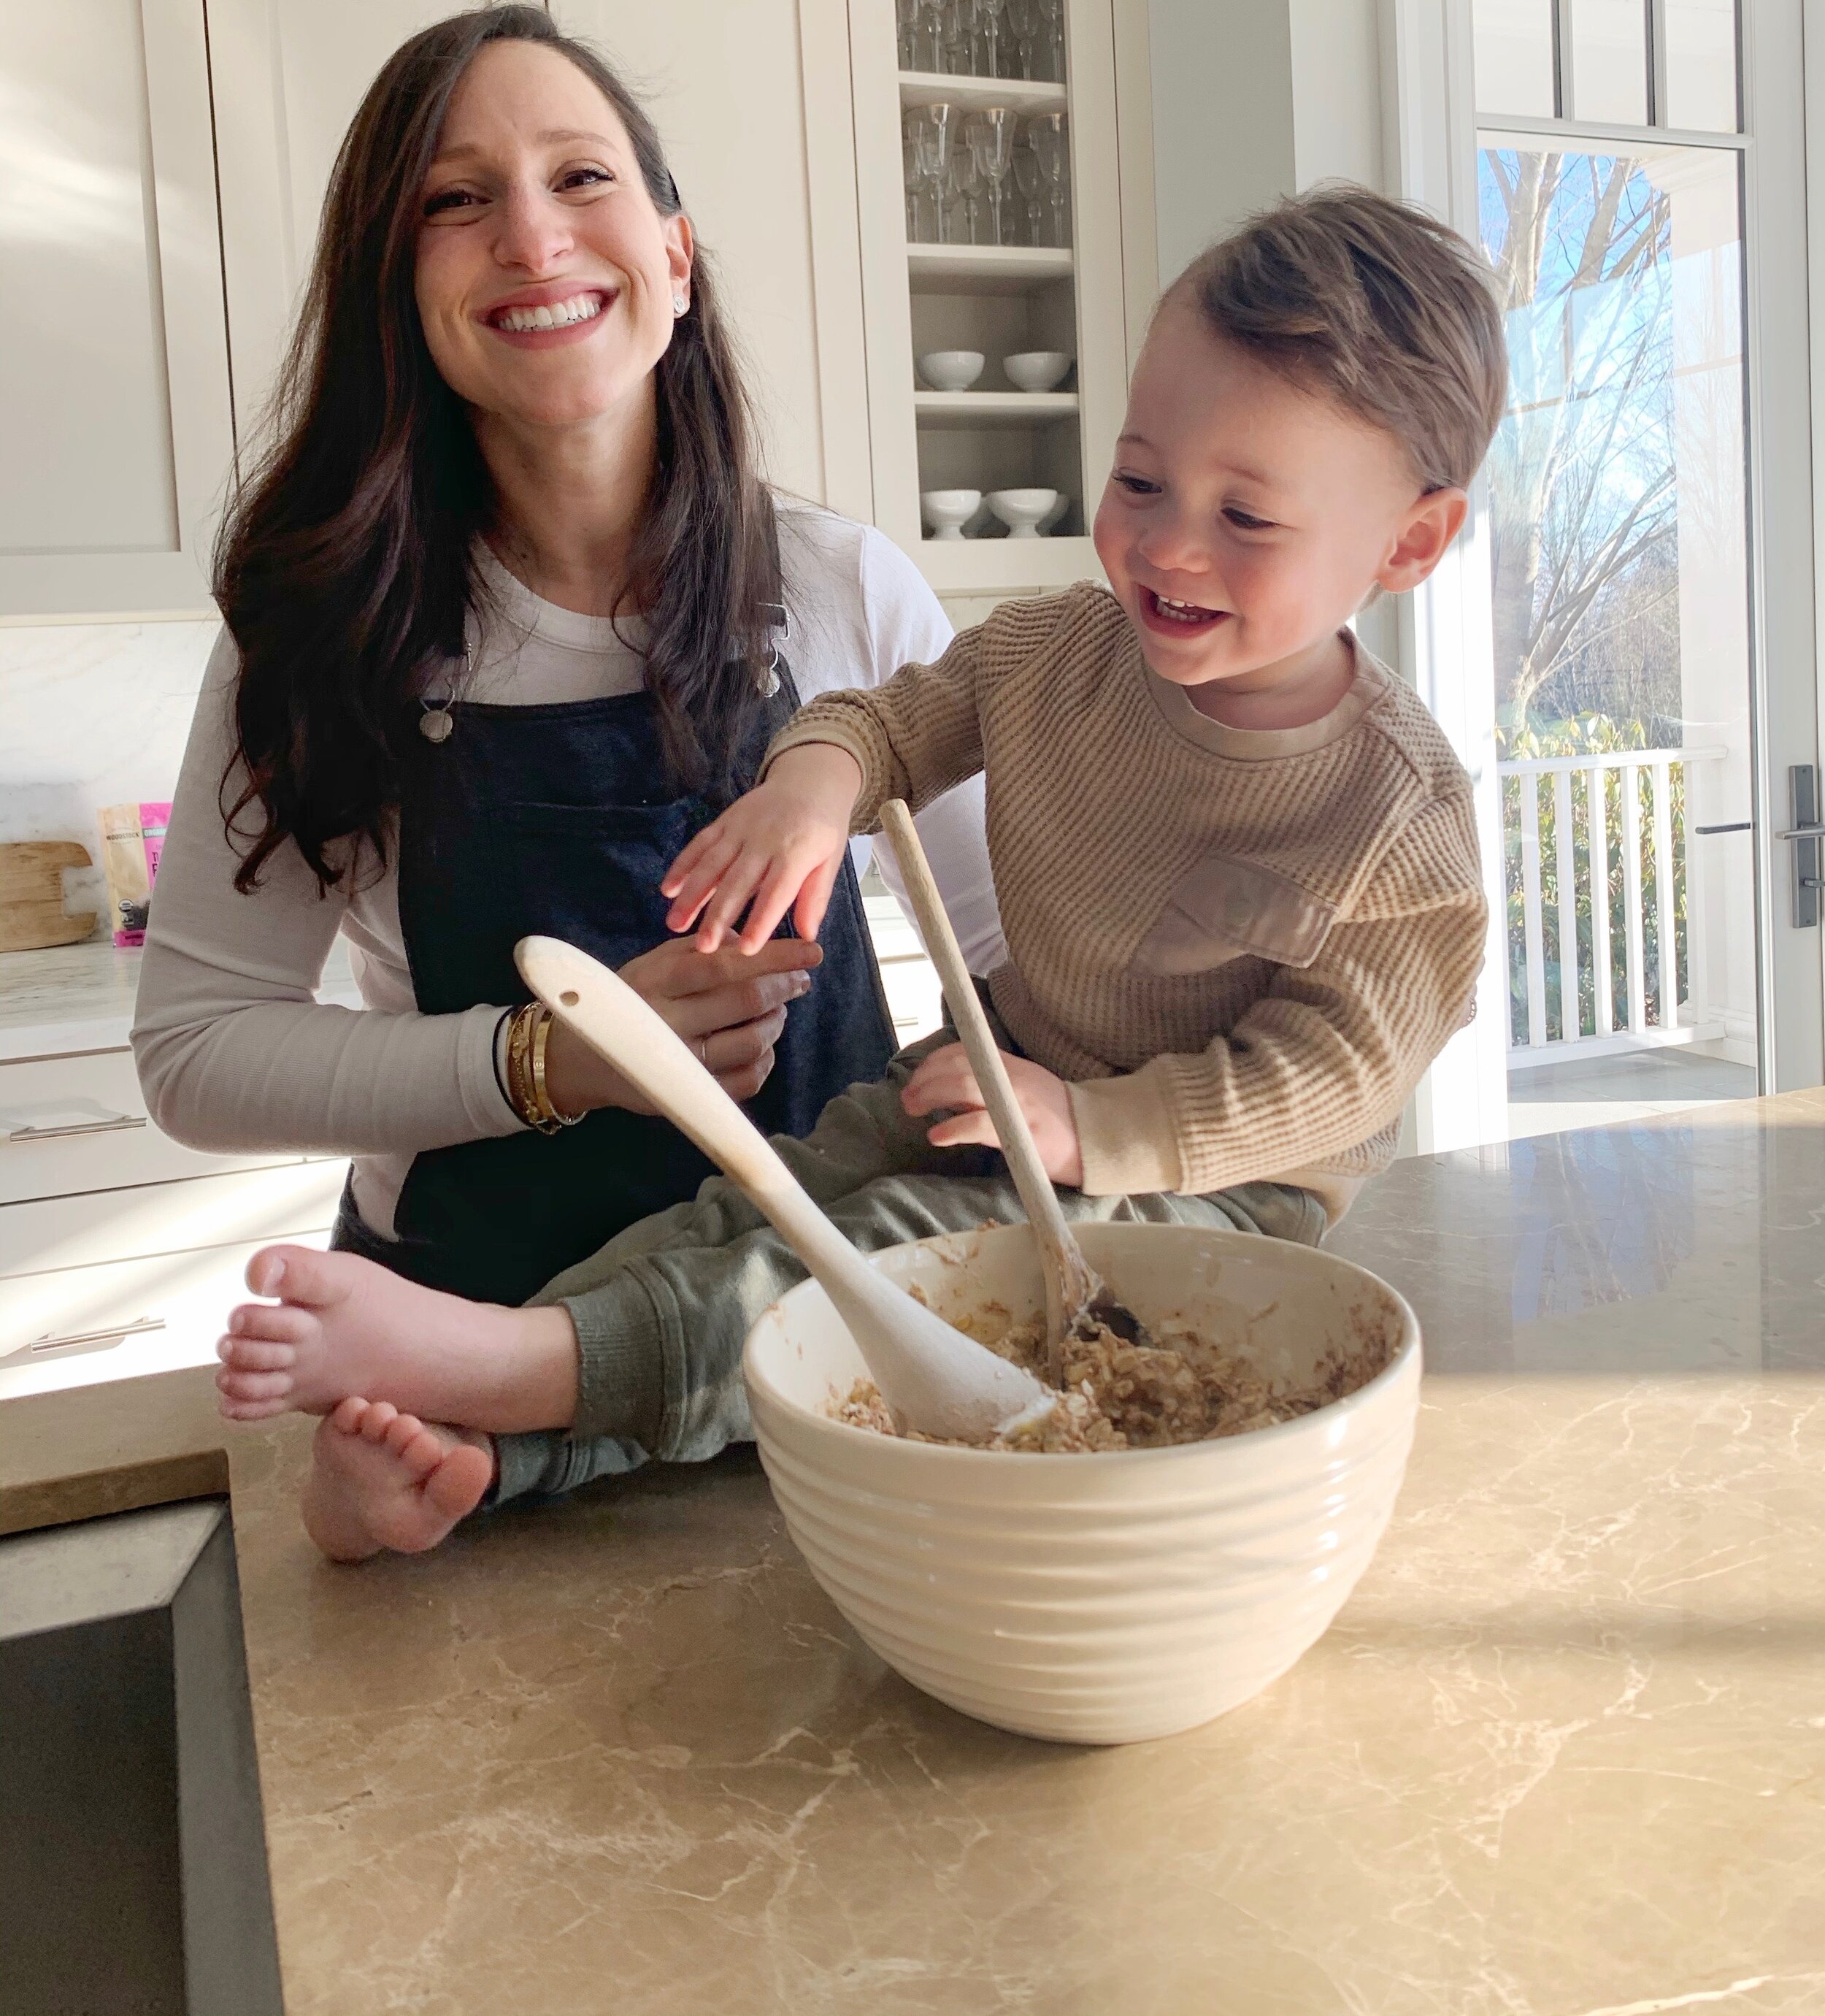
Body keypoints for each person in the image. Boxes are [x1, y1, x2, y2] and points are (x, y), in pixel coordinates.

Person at [212, 185, 1503, 1552]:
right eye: (1138, 480)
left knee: (866, 1259)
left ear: (1410, 543)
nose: (1168, 544)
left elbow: (1337, 1076)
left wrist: (1094, 1130)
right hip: (996, 1077)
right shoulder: (1061, 648)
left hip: (1215, 1177)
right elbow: (890, 721)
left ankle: (501, 1393)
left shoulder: (1397, 815)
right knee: (751, 1195)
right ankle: (473, 1431)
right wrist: (816, 788)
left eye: (1248, 518)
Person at [138, 1, 999, 1560]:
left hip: (819, 1321)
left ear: (676, 252)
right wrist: (553, 1059)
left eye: (581, 178)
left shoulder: (838, 589)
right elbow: (194, 1052)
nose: (531, 236)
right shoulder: (322, 634)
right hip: (461, 1345)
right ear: (399, 291)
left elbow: (1010, 961)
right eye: (455, 200)